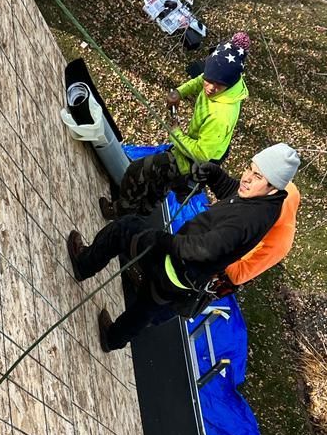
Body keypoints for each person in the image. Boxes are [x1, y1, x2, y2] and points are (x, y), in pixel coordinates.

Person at [66, 143, 301, 352]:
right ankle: (112, 338)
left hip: (178, 262)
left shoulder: (247, 221)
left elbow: (205, 248)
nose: (246, 178)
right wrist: (214, 174)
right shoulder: (268, 202)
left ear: (273, 187)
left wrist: (163, 242)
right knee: (150, 302)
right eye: (249, 168)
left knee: (123, 229)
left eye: (257, 175)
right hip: (186, 278)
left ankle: (83, 264)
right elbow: (234, 196)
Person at [99, 33, 251, 220]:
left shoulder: (222, 116)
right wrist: (179, 92)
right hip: (194, 149)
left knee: (137, 171)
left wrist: (176, 132)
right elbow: (200, 80)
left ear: (230, 83)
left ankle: (119, 212)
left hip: (192, 164)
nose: (210, 87)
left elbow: (201, 154)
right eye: (209, 79)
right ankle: (142, 213)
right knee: (159, 182)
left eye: (218, 85)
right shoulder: (222, 79)